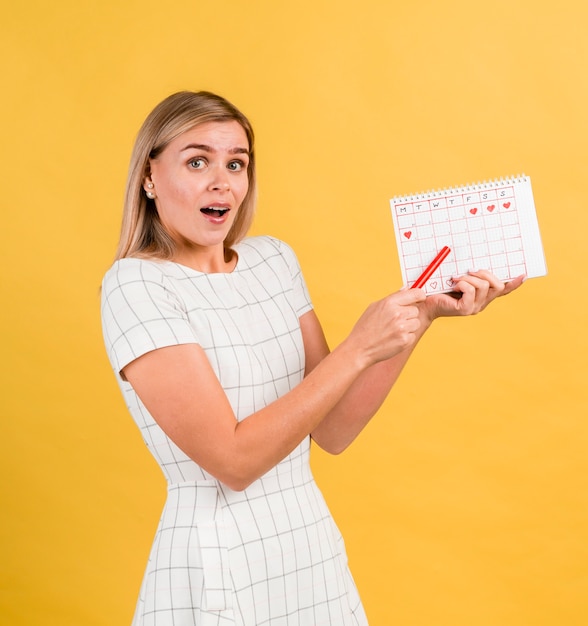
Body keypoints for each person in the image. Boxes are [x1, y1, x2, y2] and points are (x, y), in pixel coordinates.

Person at [100, 90, 523, 626]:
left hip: (308, 549)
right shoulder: (135, 285)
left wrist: (423, 314)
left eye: (236, 163)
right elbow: (233, 462)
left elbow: (334, 430)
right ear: (149, 177)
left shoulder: (273, 260)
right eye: (197, 160)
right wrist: (358, 346)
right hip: (219, 560)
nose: (221, 181)